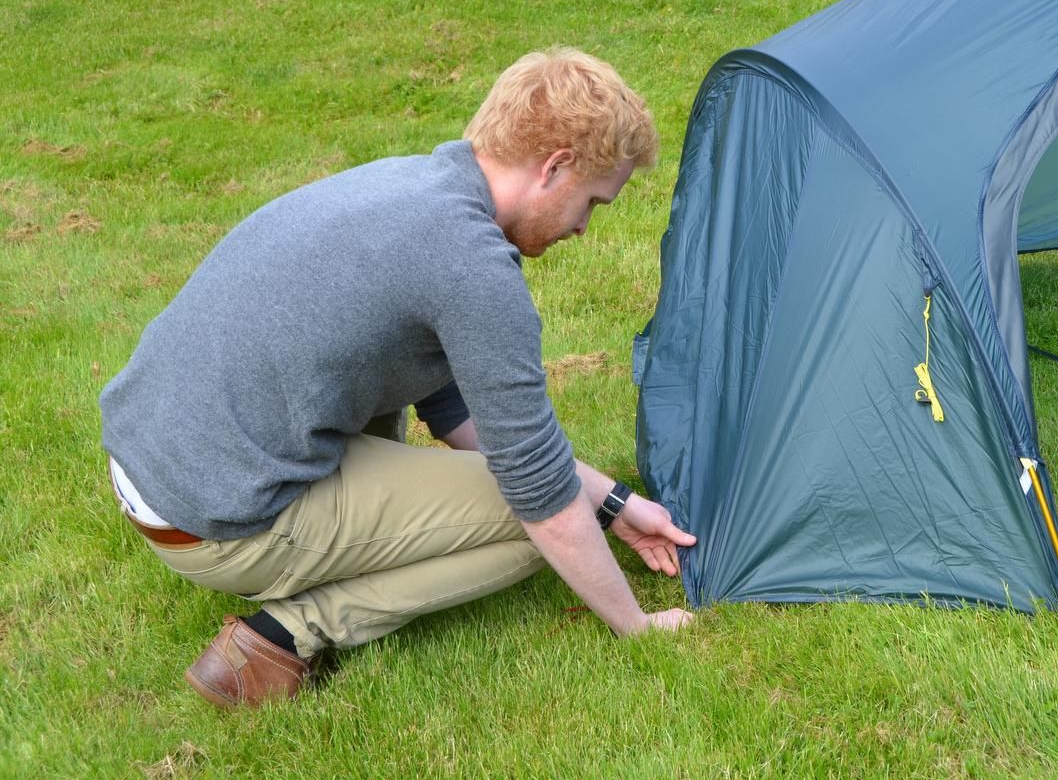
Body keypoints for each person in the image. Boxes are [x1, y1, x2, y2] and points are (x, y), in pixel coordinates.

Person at [100, 48, 696, 709]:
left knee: (555, 505)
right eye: (591, 202)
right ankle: (288, 632)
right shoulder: (471, 265)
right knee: (540, 530)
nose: (583, 228)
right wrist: (635, 623)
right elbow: (537, 487)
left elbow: (452, 408)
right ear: (554, 167)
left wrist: (616, 503)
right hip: (217, 518)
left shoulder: (411, 186)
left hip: (154, 470)